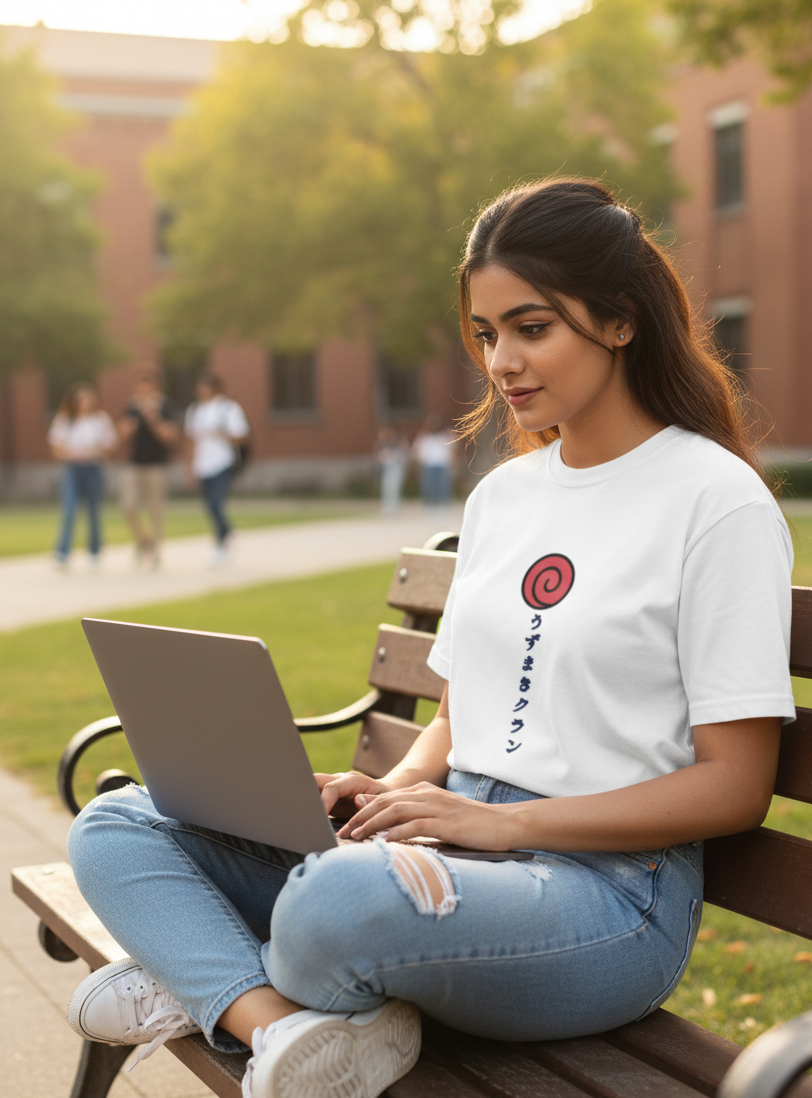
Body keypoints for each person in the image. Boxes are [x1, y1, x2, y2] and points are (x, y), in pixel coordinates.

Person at [65, 179, 795, 1098]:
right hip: (447, 857)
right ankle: (279, 1026)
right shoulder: (505, 496)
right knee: (121, 822)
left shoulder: (713, 501)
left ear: (619, 321)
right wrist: (394, 791)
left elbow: (734, 787)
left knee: (339, 903)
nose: (502, 362)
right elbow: (462, 709)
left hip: (606, 898)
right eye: (487, 335)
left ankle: (199, 974)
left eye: (533, 328)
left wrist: (497, 822)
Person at [48, 382, 118, 571]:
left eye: (87, 398)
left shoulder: (100, 419)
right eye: (80, 399)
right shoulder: (65, 419)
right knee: (69, 509)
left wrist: (95, 450)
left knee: (94, 511)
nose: (83, 402)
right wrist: (70, 453)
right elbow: (55, 447)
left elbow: (110, 446)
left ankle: (94, 552)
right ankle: (63, 553)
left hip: (93, 467)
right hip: (72, 468)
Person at [117, 366, 179, 569]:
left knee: (155, 509)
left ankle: (156, 553)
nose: (144, 389)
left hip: (157, 465)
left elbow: (169, 436)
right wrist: (129, 427)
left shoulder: (165, 406)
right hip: (134, 464)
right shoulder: (131, 406)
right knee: (128, 505)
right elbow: (121, 435)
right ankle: (145, 540)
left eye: (148, 384)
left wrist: (153, 418)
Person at [184, 374, 249, 568]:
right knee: (208, 506)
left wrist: (224, 435)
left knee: (216, 503)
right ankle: (227, 534)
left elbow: (242, 436)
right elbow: (192, 440)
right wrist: (190, 467)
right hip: (202, 465)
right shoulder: (195, 409)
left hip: (222, 462)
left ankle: (221, 542)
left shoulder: (227, 408)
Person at [412, 414, 456, 508]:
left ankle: (442, 505)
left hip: (442, 465)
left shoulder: (444, 437)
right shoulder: (424, 438)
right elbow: (417, 450)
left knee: (442, 486)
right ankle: (429, 505)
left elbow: (453, 447)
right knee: (429, 486)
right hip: (429, 466)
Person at [376, 426, 409, 515]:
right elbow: (380, 457)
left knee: (395, 489)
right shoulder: (383, 445)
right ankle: (386, 508)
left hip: (396, 468)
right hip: (387, 469)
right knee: (386, 489)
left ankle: (395, 508)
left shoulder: (398, 444)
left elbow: (403, 456)